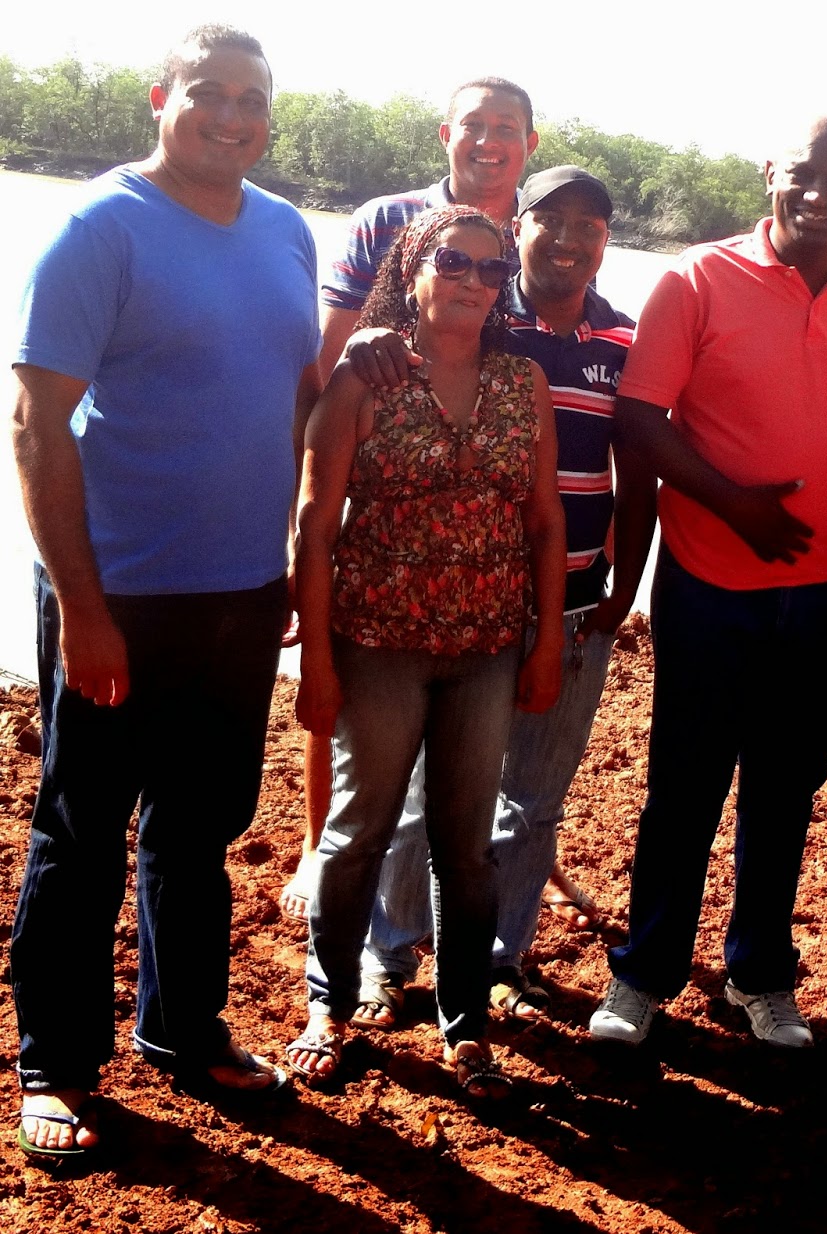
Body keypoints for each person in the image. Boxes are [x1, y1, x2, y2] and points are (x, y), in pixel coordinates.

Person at [9, 24, 321, 1156]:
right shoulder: (103, 227)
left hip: (241, 593)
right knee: (81, 832)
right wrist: (82, 608)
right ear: (161, 97)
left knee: (198, 829)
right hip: (121, 595)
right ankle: (55, 1064)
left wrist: (286, 553)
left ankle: (183, 1029)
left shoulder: (286, 230)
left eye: (253, 98)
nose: (232, 116)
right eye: (209, 93)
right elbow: (38, 424)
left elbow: (289, 402)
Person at [590, 116, 827, 1048]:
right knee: (683, 788)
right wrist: (739, 506)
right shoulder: (698, 278)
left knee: (785, 791)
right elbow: (639, 421)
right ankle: (643, 978)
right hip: (706, 581)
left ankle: (758, 975)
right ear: (770, 173)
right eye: (802, 174)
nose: (819, 193)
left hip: (823, 592)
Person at [344, 165, 650, 1024]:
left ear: (605, 241)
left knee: (534, 798)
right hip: (462, 601)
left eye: (591, 225)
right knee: (419, 792)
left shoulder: (624, 341)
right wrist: (365, 343)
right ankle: (389, 952)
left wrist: (626, 581)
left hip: (576, 596)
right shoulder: (476, 303)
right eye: (552, 220)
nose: (570, 238)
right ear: (520, 228)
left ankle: (496, 959)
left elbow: (636, 466)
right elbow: (365, 375)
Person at [284, 206, 565, 1097]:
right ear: (413, 272)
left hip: (485, 645)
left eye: (490, 270)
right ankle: (327, 1005)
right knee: (357, 832)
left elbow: (546, 519)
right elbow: (312, 528)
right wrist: (317, 664)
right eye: (454, 261)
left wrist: (545, 636)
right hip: (378, 644)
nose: (475, 281)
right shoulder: (365, 381)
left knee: (465, 843)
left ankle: (464, 1025)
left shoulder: (523, 385)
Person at [278, 75, 537, 921]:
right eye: (474, 125)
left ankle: (414, 909)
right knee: (357, 693)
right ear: (445, 134)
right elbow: (323, 368)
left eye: (508, 128)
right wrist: (374, 338)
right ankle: (325, 857)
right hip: (379, 481)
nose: (490, 141)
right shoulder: (382, 220)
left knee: (459, 784)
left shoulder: (533, 234)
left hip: (483, 497)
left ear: (530, 144)